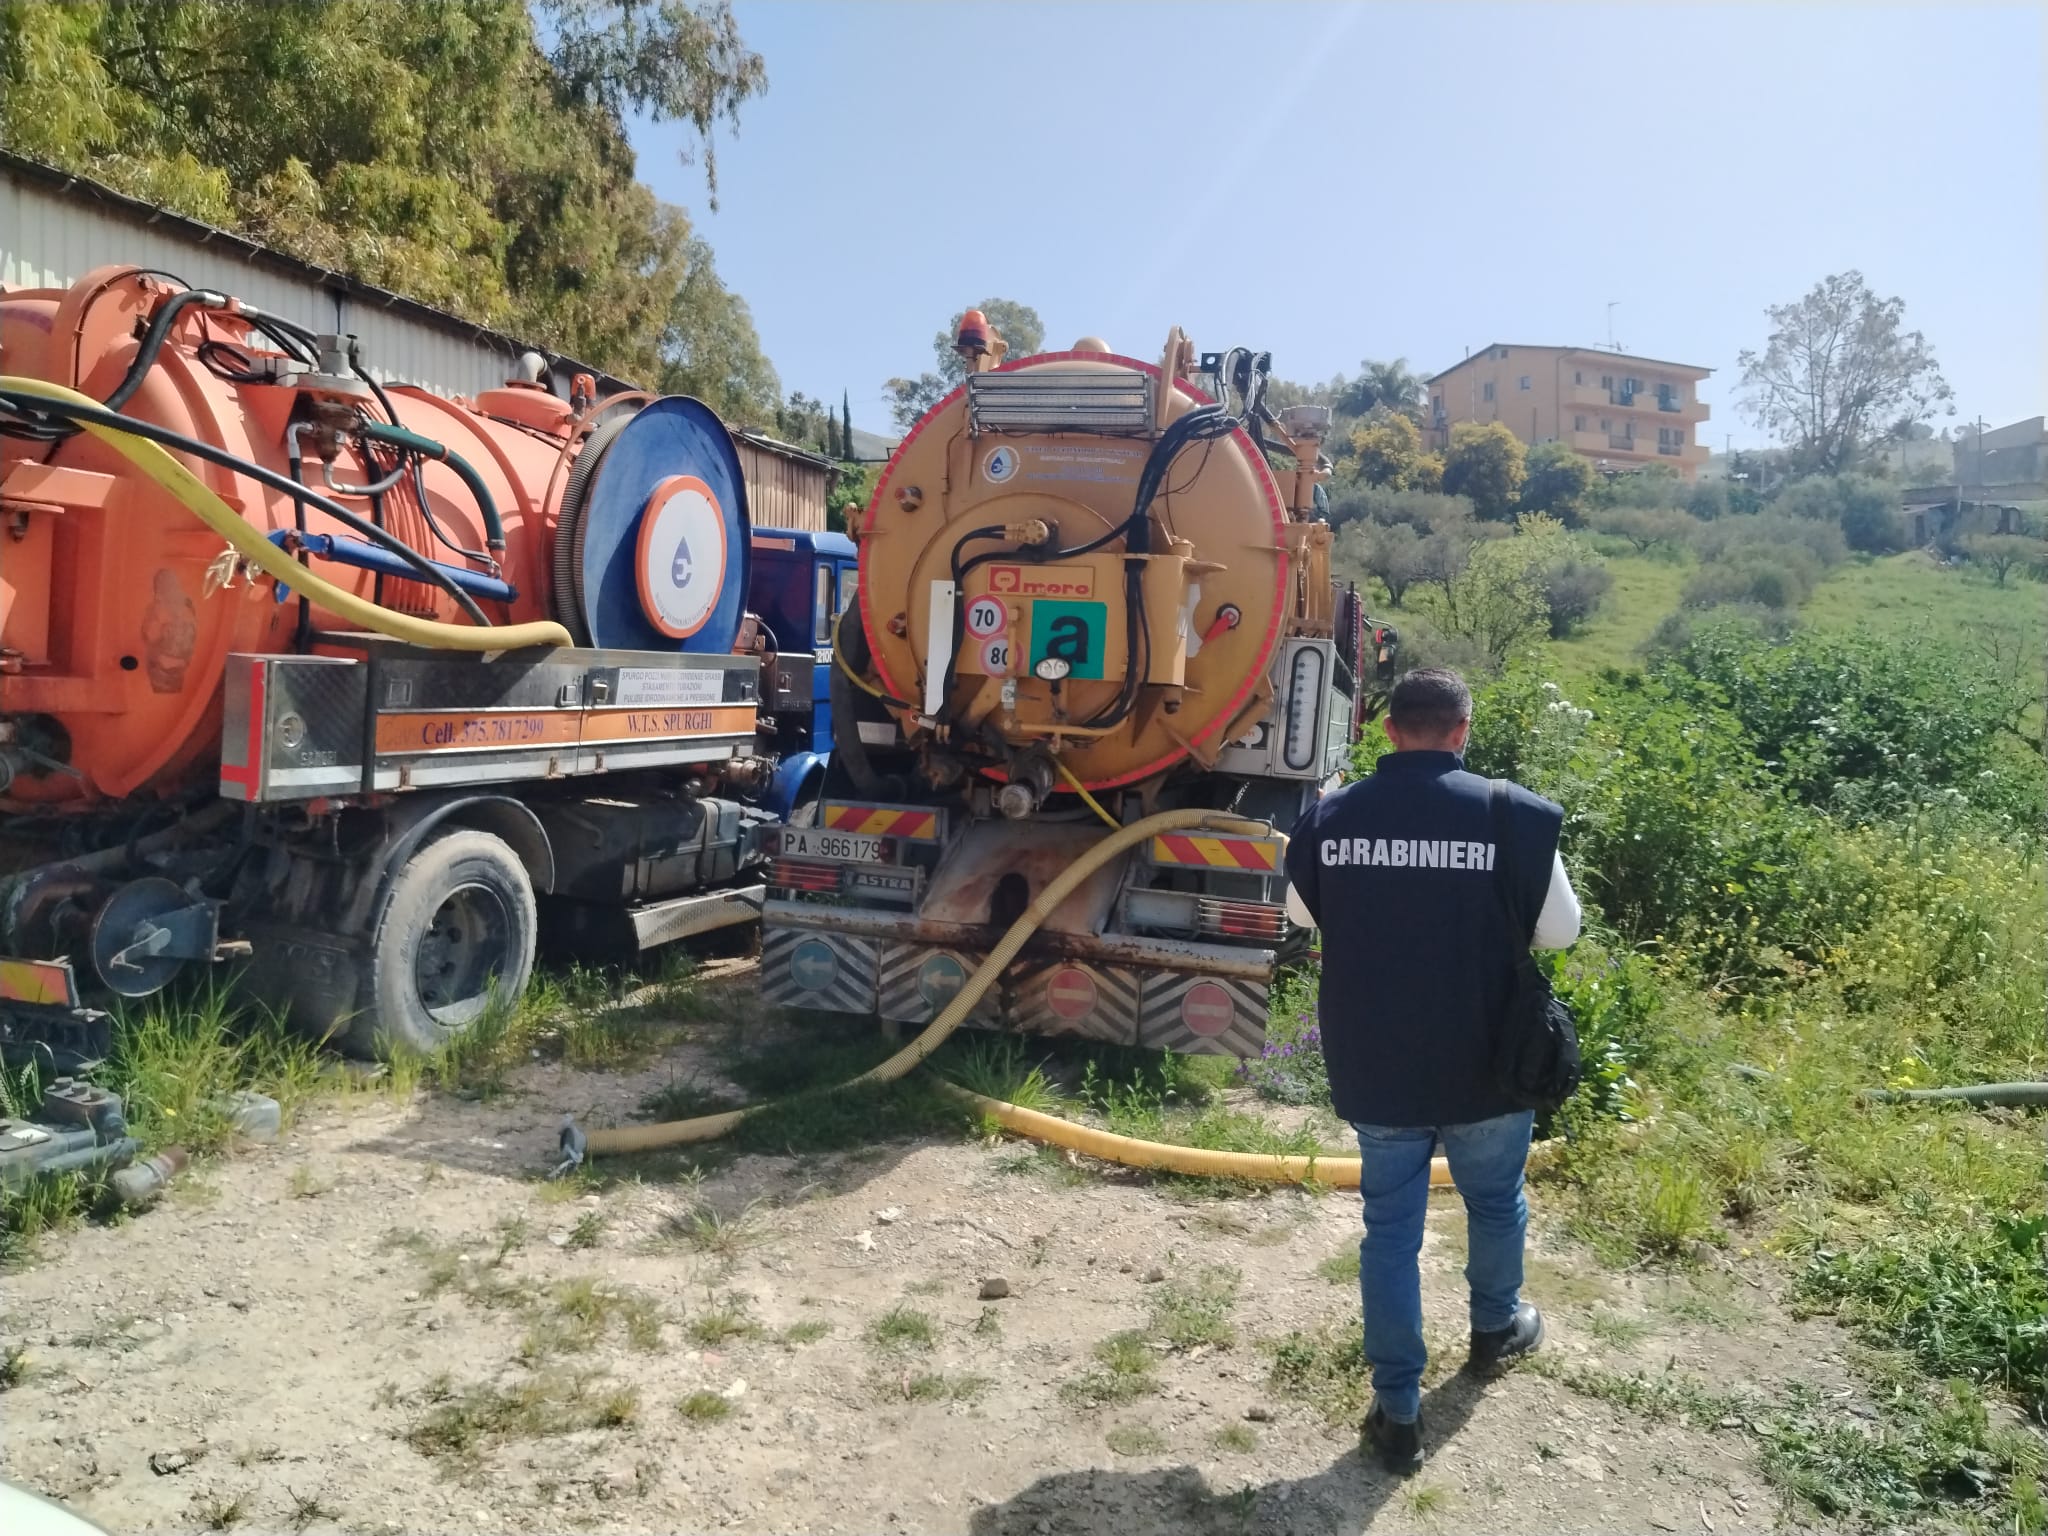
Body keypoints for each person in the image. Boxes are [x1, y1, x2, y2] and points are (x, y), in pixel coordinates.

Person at [1283, 666, 1582, 1475]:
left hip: (1378, 1061)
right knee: (1494, 1200)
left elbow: (1298, 916)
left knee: (1390, 1231)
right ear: (1462, 730)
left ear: (1388, 731)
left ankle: (1399, 1409)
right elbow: (1561, 932)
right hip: (1488, 1059)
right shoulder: (1506, 812)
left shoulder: (1331, 815)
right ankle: (1493, 1331)